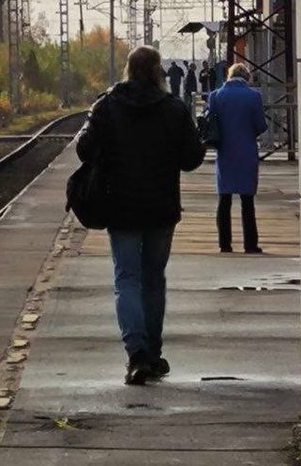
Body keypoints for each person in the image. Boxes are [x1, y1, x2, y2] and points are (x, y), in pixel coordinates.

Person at [76, 45, 205, 386]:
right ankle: (153, 352)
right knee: (153, 279)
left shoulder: (107, 105)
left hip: (121, 208)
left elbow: (84, 149)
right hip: (161, 208)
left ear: (129, 70)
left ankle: (137, 355)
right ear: (158, 71)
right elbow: (192, 159)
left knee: (127, 279)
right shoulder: (173, 108)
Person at [206, 63, 268, 254]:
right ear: (246, 77)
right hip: (247, 151)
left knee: (224, 200)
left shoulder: (215, 96)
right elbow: (260, 125)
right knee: (247, 201)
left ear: (229, 75)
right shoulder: (254, 96)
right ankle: (250, 244)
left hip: (224, 152)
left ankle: (224, 244)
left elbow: (211, 124)